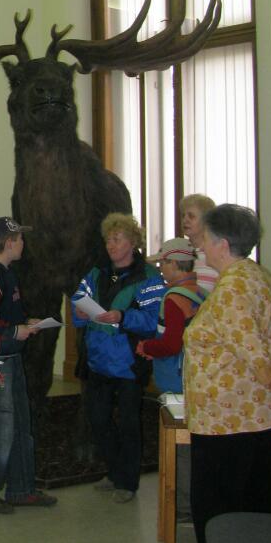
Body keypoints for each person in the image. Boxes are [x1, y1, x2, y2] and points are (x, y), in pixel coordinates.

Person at [177, 204, 271, 543]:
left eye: (205, 240)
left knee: (218, 512)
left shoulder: (231, 289)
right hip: (259, 419)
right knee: (259, 503)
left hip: (225, 422)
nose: (200, 246)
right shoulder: (259, 277)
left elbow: (257, 357)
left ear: (222, 244)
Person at [71, 212, 165, 503]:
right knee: (98, 419)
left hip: (129, 362)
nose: (111, 245)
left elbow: (154, 320)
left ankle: (127, 482)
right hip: (97, 359)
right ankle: (114, 471)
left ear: (132, 242)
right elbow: (78, 299)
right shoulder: (97, 272)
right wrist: (79, 311)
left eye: (117, 239)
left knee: (128, 424)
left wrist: (123, 316)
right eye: (108, 239)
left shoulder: (148, 277)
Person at [0, 216, 57, 514]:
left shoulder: (6, 273)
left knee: (20, 426)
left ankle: (21, 489)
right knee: (0, 429)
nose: (23, 243)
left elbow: (0, 313)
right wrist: (12, 331)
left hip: (10, 357)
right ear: (8, 243)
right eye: (19, 239)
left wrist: (25, 322)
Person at [136, 238, 207, 520]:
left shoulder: (174, 299)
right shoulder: (200, 293)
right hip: (197, 377)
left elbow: (171, 343)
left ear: (176, 264)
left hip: (176, 381)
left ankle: (184, 506)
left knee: (180, 445)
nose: (161, 269)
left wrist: (147, 347)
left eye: (163, 263)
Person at [179, 193, 218, 293]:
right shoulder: (179, 251)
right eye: (183, 216)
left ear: (206, 221)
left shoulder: (215, 253)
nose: (185, 220)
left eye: (191, 216)